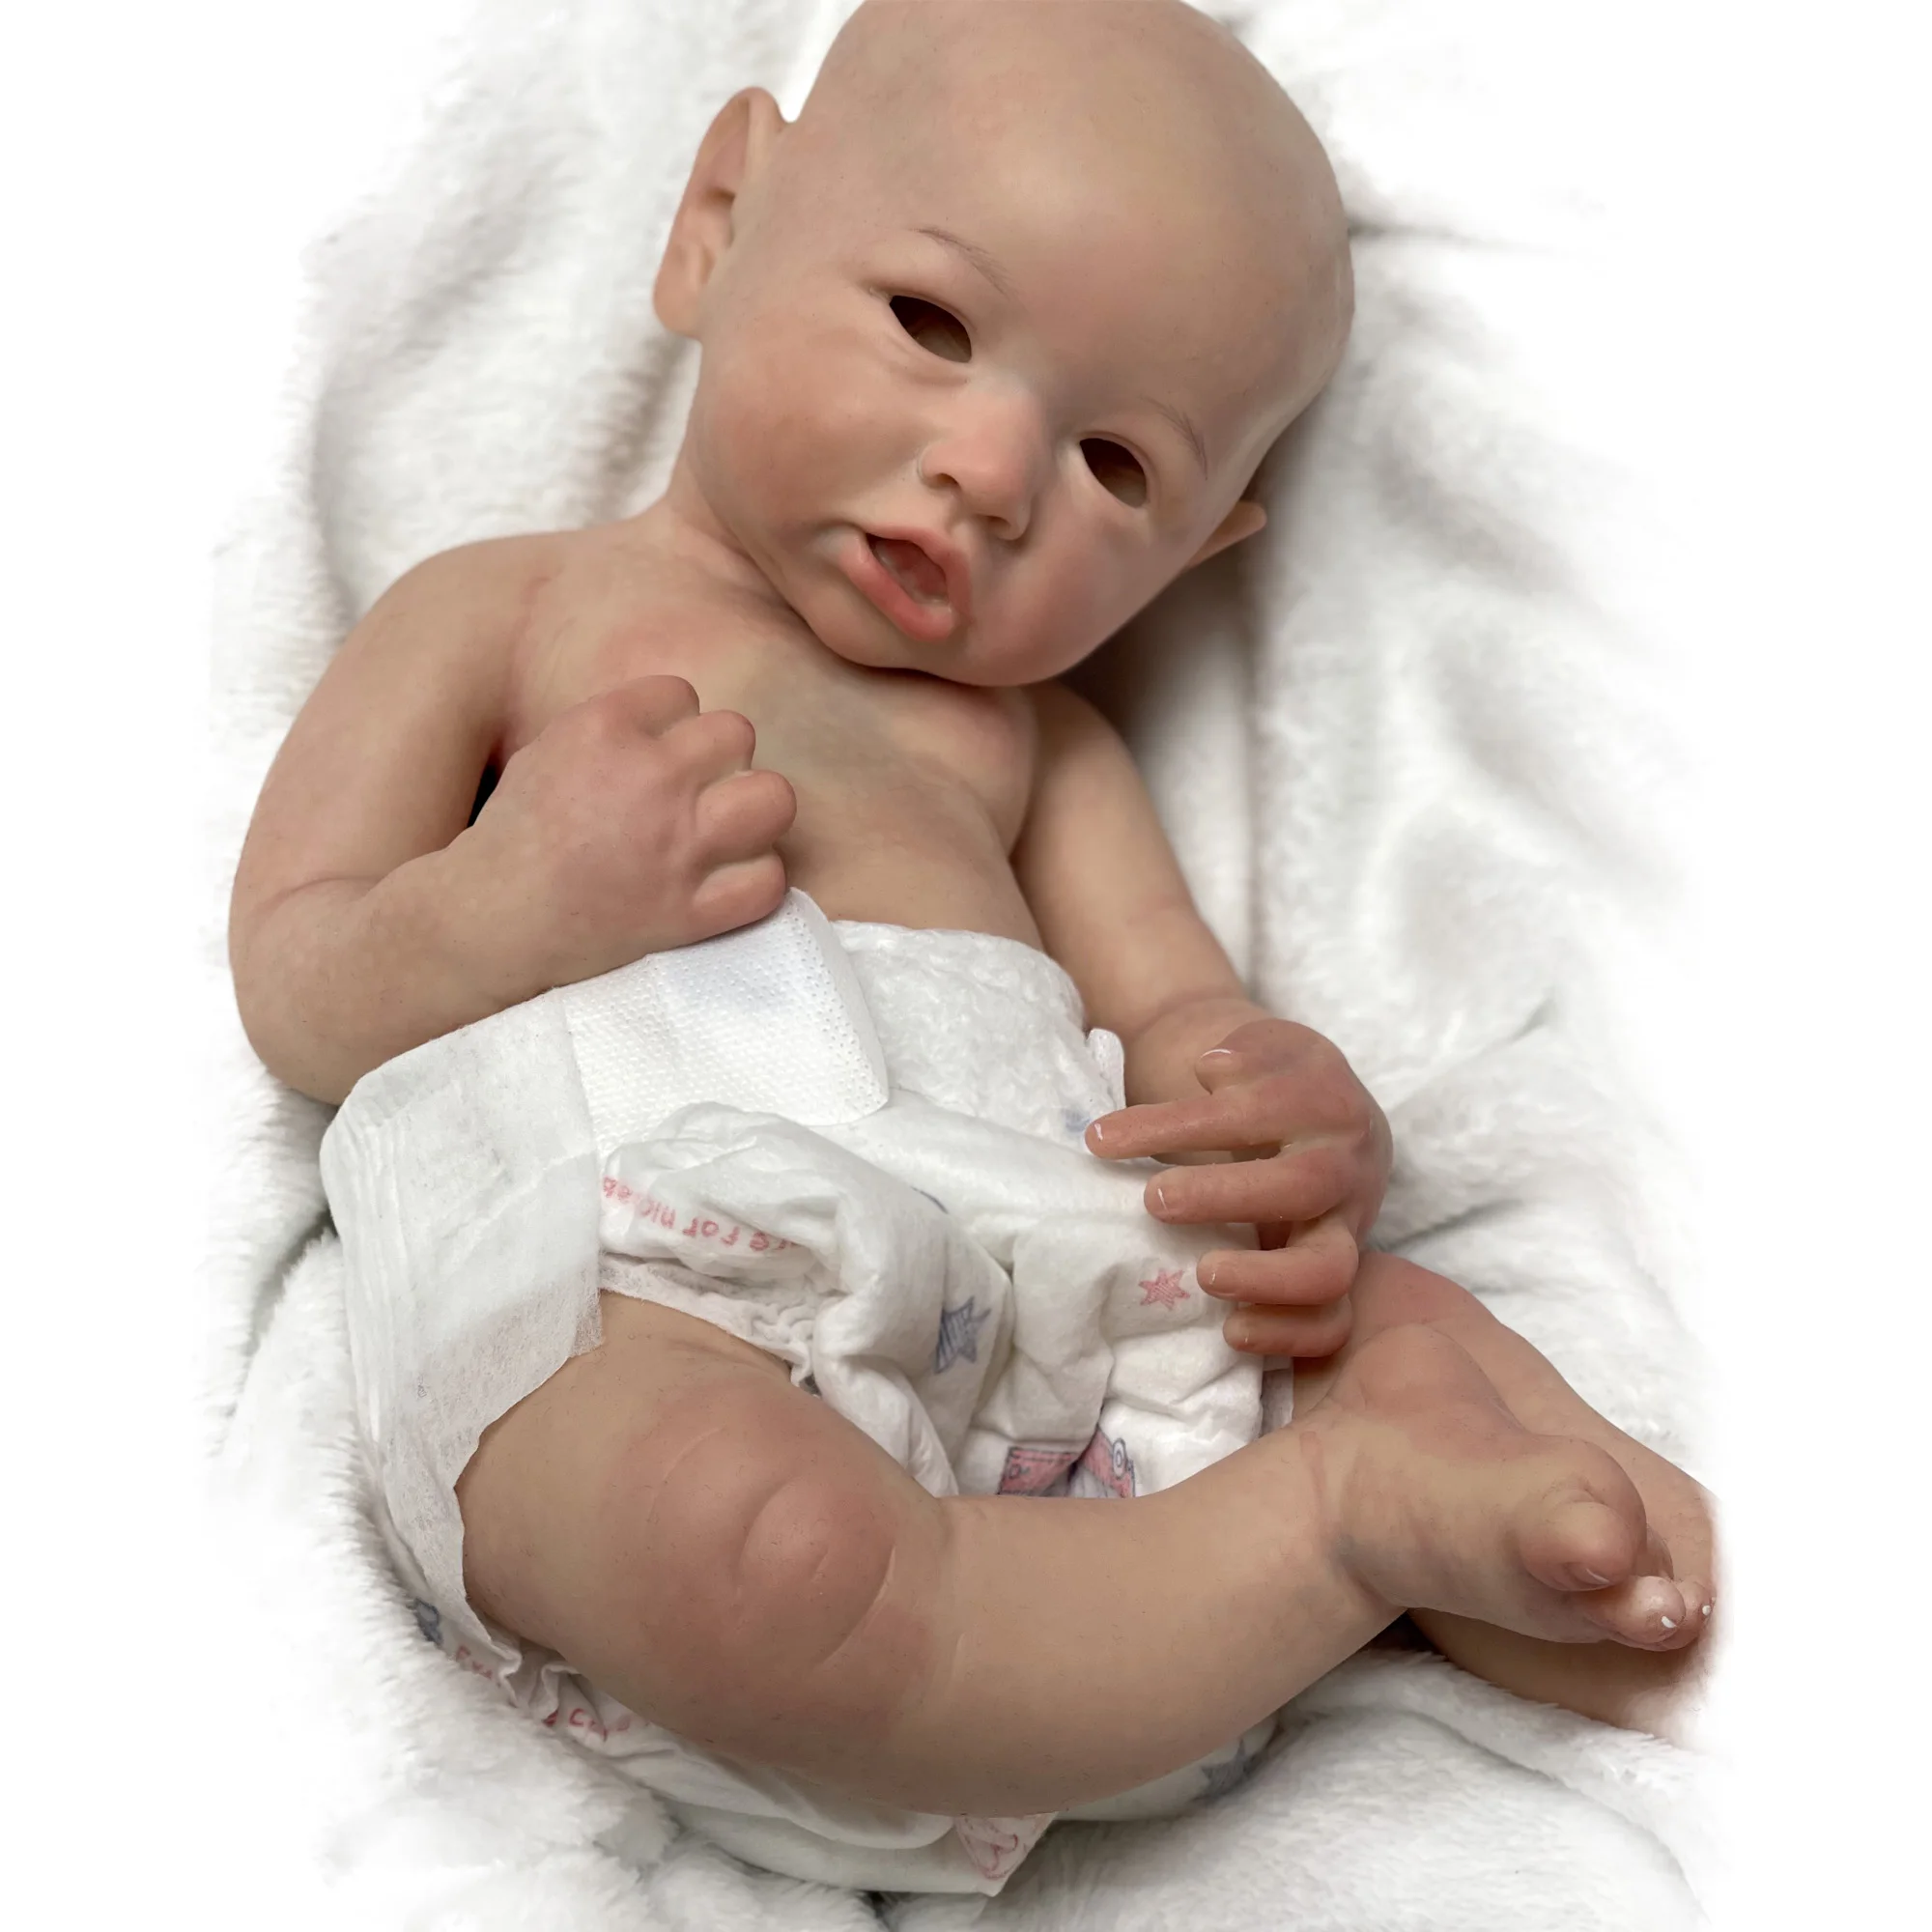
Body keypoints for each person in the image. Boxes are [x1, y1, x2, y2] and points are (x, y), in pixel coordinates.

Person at [229, 0, 1714, 1893]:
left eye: (1119, 466)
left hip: (1042, 1301)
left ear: (1196, 552)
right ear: (717, 222)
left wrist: (1285, 1120)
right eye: (931, 323)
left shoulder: (1036, 750)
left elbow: (1179, 1016)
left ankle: (1628, 1590)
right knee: (751, 1548)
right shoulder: (508, 614)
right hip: (651, 1290)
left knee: (1382, 1320)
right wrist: (513, 898)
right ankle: (1335, 1532)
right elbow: (300, 979)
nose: (995, 469)